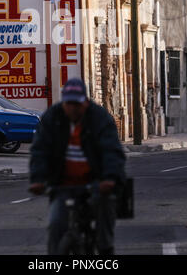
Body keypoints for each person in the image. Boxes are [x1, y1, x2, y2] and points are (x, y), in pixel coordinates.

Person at [29, 77, 126, 255]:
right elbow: (40, 150)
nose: (73, 108)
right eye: (69, 104)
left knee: (105, 214)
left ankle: (106, 252)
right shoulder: (52, 117)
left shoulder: (100, 118)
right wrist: (38, 179)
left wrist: (110, 178)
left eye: (77, 104)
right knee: (56, 224)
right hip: (62, 184)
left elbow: (111, 151)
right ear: (64, 103)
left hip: (96, 182)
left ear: (86, 103)